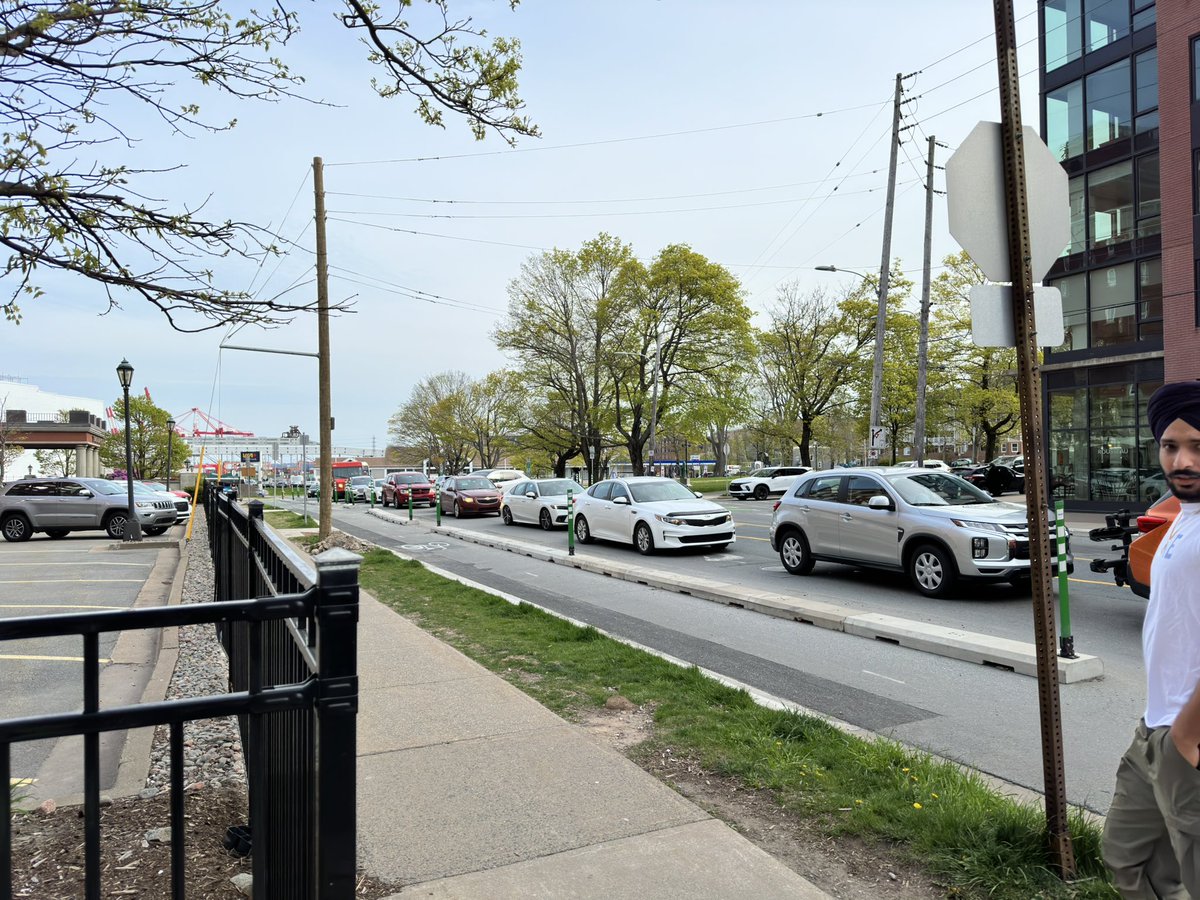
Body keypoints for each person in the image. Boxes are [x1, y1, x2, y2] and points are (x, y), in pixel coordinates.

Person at [1103, 380, 1200, 898]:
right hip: (1156, 731)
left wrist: (1186, 735)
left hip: (1189, 739)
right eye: (1170, 445)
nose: (1181, 461)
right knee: (1128, 859)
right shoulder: (1182, 518)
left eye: (1198, 445)